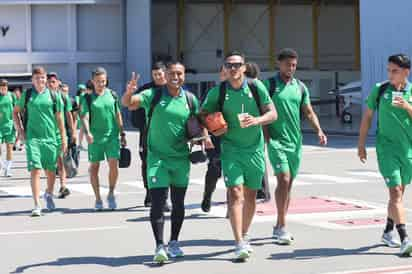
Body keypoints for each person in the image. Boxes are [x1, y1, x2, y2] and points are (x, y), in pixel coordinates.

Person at [122, 61, 202, 264]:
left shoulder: (190, 99)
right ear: (165, 75)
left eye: (180, 73)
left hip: (181, 159)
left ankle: (174, 242)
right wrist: (129, 92)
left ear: (184, 75)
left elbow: (197, 125)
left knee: (178, 203)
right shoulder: (154, 95)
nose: (176, 77)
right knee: (158, 202)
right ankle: (159, 245)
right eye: (172, 73)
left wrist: (203, 140)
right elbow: (129, 103)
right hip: (157, 158)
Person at [200, 51, 277, 261]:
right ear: (225, 68)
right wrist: (212, 127)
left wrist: (258, 120)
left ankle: (244, 233)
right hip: (231, 149)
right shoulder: (219, 90)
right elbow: (202, 113)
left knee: (251, 196)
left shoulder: (256, 87)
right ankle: (238, 242)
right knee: (235, 193)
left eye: (237, 65)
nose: (233, 68)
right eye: (229, 65)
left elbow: (273, 113)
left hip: (254, 149)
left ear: (244, 67)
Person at [263, 48, 327, 245]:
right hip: (276, 141)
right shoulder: (269, 85)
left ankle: (278, 224)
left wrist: (319, 130)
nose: (290, 68)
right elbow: (261, 110)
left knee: (288, 185)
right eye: (287, 64)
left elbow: (308, 111)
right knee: (283, 178)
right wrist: (266, 138)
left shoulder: (300, 87)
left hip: (295, 142)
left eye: (294, 65)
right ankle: (282, 226)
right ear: (278, 64)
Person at [358, 53, 412, 256]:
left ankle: (388, 231)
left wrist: (407, 107)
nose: (390, 74)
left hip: (407, 151)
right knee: (395, 193)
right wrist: (361, 144)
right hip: (385, 149)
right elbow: (367, 117)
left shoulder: (411, 92)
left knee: (398, 193)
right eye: (388, 70)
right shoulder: (380, 90)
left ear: (406, 72)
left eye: (395, 71)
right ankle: (405, 238)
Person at [13, 66, 67, 217]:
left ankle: (48, 193)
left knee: (50, 171)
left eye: (42, 78)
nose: (40, 81)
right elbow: (15, 112)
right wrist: (21, 131)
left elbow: (60, 119)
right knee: (35, 170)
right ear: (32, 80)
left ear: (46, 79)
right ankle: (37, 204)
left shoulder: (54, 96)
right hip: (33, 139)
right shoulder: (27, 95)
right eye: (37, 78)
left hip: (50, 138)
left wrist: (64, 138)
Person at [80, 67, 126, 211]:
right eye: (99, 81)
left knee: (114, 165)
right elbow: (85, 116)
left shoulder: (112, 95)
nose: (102, 84)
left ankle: (111, 193)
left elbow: (118, 115)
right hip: (95, 138)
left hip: (112, 137)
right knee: (94, 168)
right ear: (93, 81)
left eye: (104, 81)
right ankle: (98, 198)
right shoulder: (87, 98)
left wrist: (122, 133)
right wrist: (87, 133)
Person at [128, 61, 169, 209]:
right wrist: (142, 128)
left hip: (169, 136)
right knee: (147, 164)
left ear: (165, 73)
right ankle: (149, 192)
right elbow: (135, 111)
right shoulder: (145, 90)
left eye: (160, 74)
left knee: (168, 165)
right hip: (148, 135)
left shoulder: (172, 89)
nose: (158, 77)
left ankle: (164, 197)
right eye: (155, 74)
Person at [47, 73, 76, 199]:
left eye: (53, 81)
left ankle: (63, 186)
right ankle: (50, 187)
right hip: (46, 134)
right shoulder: (42, 97)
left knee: (61, 161)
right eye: (49, 81)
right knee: (49, 163)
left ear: (58, 83)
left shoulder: (63, 97)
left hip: (61, 133)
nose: (51, 84)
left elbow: (69, 115)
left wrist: (73, 131)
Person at [0, 79, 16, 177]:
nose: (3, 89)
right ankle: (2, 166)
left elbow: (16, 109)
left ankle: (8, 169)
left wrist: (18, 124)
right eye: (1, 87)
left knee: (9, 148)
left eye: (4, 87)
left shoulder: (12, 96)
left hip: (9, 125)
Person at [12, 87, 23, 151]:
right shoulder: (13, 100)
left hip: (22, 118)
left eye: (17, 93)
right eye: (15, 93)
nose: (16, 94)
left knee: (20, 131)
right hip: (15, 117)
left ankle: (18, 144)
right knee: (18, 131)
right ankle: (17, 144)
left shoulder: (22, 99)